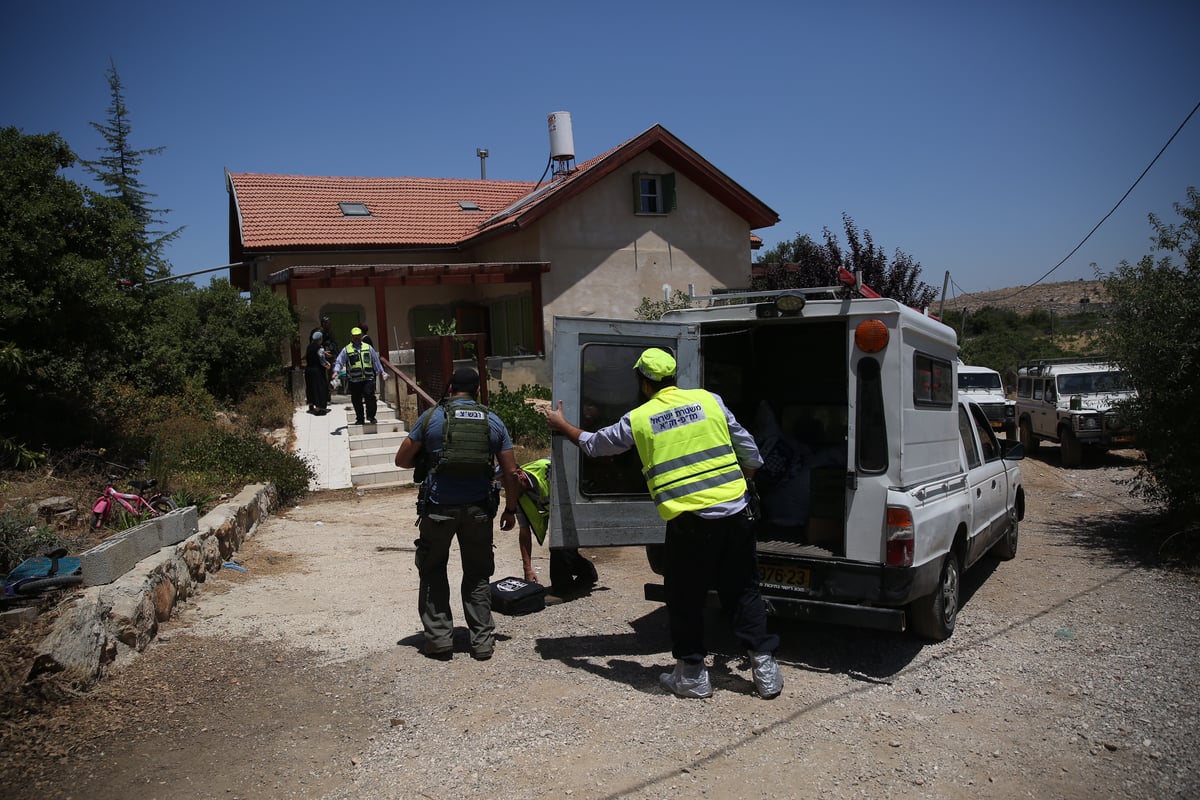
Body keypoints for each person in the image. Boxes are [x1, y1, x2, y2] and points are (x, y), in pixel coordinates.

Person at [544, 347, 782, 700]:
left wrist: (562, 426)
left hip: (690, 523)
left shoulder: (640, 418)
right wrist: (740, 486)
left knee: (685, 597)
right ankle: (765, 672)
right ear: (673, 378)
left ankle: (692, 676)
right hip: (735, 514)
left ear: (643, 383)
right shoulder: (709, 400)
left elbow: (596, 446)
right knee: (743, 590)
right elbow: (751, 453)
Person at [394, 367, 520, 661]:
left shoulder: (432, 417)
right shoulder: (493, 421)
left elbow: (401, 460)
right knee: (477, 574)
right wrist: (510, 509)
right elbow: (511, 472)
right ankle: (482, 643)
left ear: (450, 388)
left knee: (433, 569)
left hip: (438, 509)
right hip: (478, 510)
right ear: (477, 391)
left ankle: (439, 640)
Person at [510, 456, 598, 594]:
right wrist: (527, 569)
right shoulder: (517, 495)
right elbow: (524, 532)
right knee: (564, 547)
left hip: (581, 500)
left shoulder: (548, 469)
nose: (507, 488)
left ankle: (563, 590)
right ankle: (587, 571)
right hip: (561, 512)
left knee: (558, 543)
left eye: (508, 482)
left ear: (520, 475)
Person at [332, 326, 385, 426]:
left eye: (358, 336)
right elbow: (340, 361)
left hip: (368, 378)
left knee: (370, 397)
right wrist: (336, 371)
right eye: (354, 336)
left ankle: (371, 416)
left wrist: (381, 371)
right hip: (354, 380)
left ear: (361, 336)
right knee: (356, 400)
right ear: (351, 337)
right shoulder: (346, 349)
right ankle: (360, 418)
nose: (357, 338)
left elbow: (375, 360)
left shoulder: (368, 347)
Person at [304, 330, 331, 415]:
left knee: (311, 387)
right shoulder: (320, 348)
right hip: (317, 371)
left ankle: (311, 404)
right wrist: (328, 365)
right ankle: (319, 408)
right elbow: (322, 360)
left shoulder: (309, 347)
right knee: (320, 388)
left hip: (308, 370)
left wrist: (323, 353)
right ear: (320, 339)